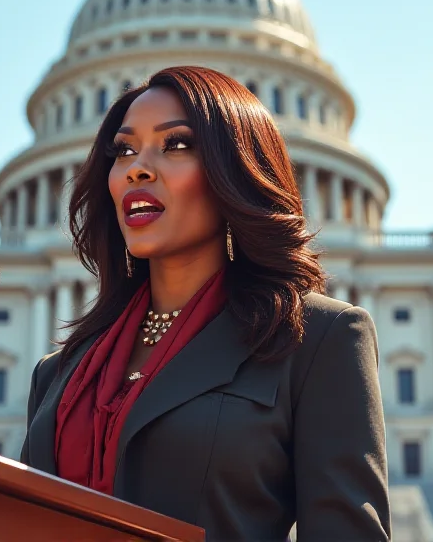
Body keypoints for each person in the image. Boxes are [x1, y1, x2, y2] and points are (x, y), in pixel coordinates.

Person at [19, 65, 391, 541]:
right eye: (124, 149)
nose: (137, 167)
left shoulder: (314, 338)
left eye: (176, 144)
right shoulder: (58, 374)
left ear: (234, 170)